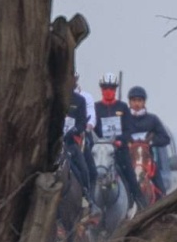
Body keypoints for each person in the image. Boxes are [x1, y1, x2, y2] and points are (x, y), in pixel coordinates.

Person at [93, 72, 147, 211]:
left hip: (119, 151)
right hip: (101, 152)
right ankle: (86, 205)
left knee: (130, 175)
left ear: (115, 90)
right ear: (101, 90)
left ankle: (142, 205)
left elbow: (129, 129)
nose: (108, 91)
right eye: (105, 88)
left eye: (111, 88)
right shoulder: (96, 108)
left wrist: (120, 141)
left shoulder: (122, 107)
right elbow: (92, 129)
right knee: (90, 174)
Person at [63, 87, 101, 221]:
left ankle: (87, 198)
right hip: (54, 144)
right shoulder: (53, 98)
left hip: (71, 143)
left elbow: (81, 123)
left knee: (84, 169)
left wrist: (73, 131)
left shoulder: (79, 100)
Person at [127, 86, 171, 197]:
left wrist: (150, 143)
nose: (136, 104)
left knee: (162, 192)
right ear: (130, 102)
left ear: (144, 102)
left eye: (139, 101)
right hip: (127, 162)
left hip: (148, 163)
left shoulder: (152, 119)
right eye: (134, 100)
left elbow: (165, 138)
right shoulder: (124, 119)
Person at [75, 72, 98, 204]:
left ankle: (89, 200)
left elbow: (91, 116)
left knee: (91, 171)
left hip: (79, 138)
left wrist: (87, 127)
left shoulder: (85, 97)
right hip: (61, 140)